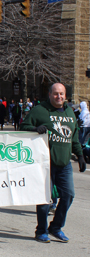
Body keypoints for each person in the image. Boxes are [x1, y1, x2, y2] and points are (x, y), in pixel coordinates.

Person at [21, 83, 86, 243]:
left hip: (64, 164)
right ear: (49, 94)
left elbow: (74, 137)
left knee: (69, 195)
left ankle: (55, 227)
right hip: (44, 164)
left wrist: (80, 155)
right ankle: (41, 231)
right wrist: (35, 129)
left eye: (62, 94)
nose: (59, 97)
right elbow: (23, 127)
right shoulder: (39, 110)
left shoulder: (70, 112)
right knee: (44, 199)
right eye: (56, 94)